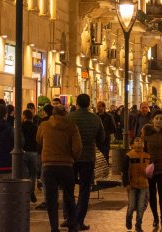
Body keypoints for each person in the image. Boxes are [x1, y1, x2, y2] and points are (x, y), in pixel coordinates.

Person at [37, 104, 82, 232]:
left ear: (52, 113)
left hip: (48, 166)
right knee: (69, 197)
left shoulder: (44, 125)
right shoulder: (72, 127)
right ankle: (72, 226)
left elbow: (38, 140)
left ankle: (54, 227)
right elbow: (77, 148)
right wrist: (73, 158)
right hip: (66, 166)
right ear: (65, 113)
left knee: (51, 199)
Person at [66, 93, 105, 231]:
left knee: (68, 188)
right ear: (89, 104)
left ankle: (69, 218)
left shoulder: (69, 117)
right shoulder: (95, 118)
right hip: (88, 157)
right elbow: (102, 137)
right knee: (84, 190)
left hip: (71, 157)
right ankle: (79, 220)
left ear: (77, 103)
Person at [122, 135, 151, 232]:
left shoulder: (147, 156)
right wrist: (126, 183)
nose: (139, 143)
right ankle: (128, 218)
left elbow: (150, 170)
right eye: (137, 141)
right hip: (132, 185)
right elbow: (125, 170)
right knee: (132, 206)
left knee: (141, 206)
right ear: (132, 144)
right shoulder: (129, 156)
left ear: (144, 144)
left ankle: (138, 224)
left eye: (141, 141)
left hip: (144, 185)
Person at [22, 109, 40, 203]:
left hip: (23, 152)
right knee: (33, 174)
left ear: (24, 116)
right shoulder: (35, 127)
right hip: (33, 152)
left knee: (24, 174)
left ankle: (25, 192)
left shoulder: (21, 127)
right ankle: (31, 191)